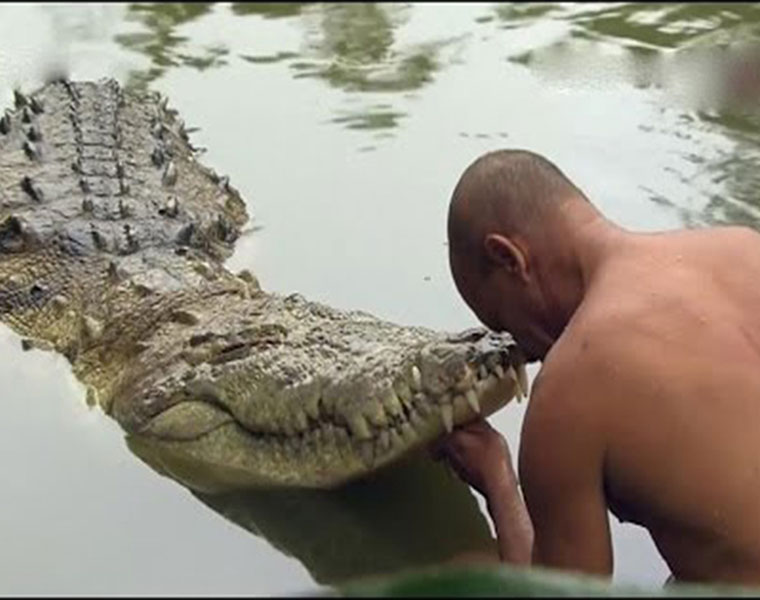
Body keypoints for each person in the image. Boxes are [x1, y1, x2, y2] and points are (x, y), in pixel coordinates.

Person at [434, 149, 760, 585]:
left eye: (501, 321)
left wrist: (497, 479)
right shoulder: (742, 247)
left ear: (510, 258)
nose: (523, 350)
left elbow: (559, 598)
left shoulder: (569, 392)